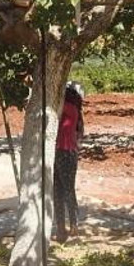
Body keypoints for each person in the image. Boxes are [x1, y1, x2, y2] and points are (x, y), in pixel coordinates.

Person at [53, 80, 85, 242]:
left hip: (62, 152)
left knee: (61, 191)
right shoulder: (75, 110)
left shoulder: (66, 107)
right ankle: (70, 226)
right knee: (65, 190)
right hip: (67, 152)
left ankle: (67, 227)